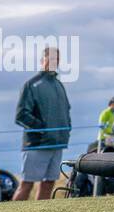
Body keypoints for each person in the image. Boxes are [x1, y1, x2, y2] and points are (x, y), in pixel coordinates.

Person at [13, 46, 72, 200]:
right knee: (27, 184)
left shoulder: (59, 85)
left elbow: (66, 111)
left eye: (57, 59)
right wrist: (43, 130)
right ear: (42, 60)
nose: (54, 62)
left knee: (49, 183)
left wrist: (66, 130)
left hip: (57, 144)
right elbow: (21, 115)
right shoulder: (31, 85)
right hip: (37, 144)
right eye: (51, 58)